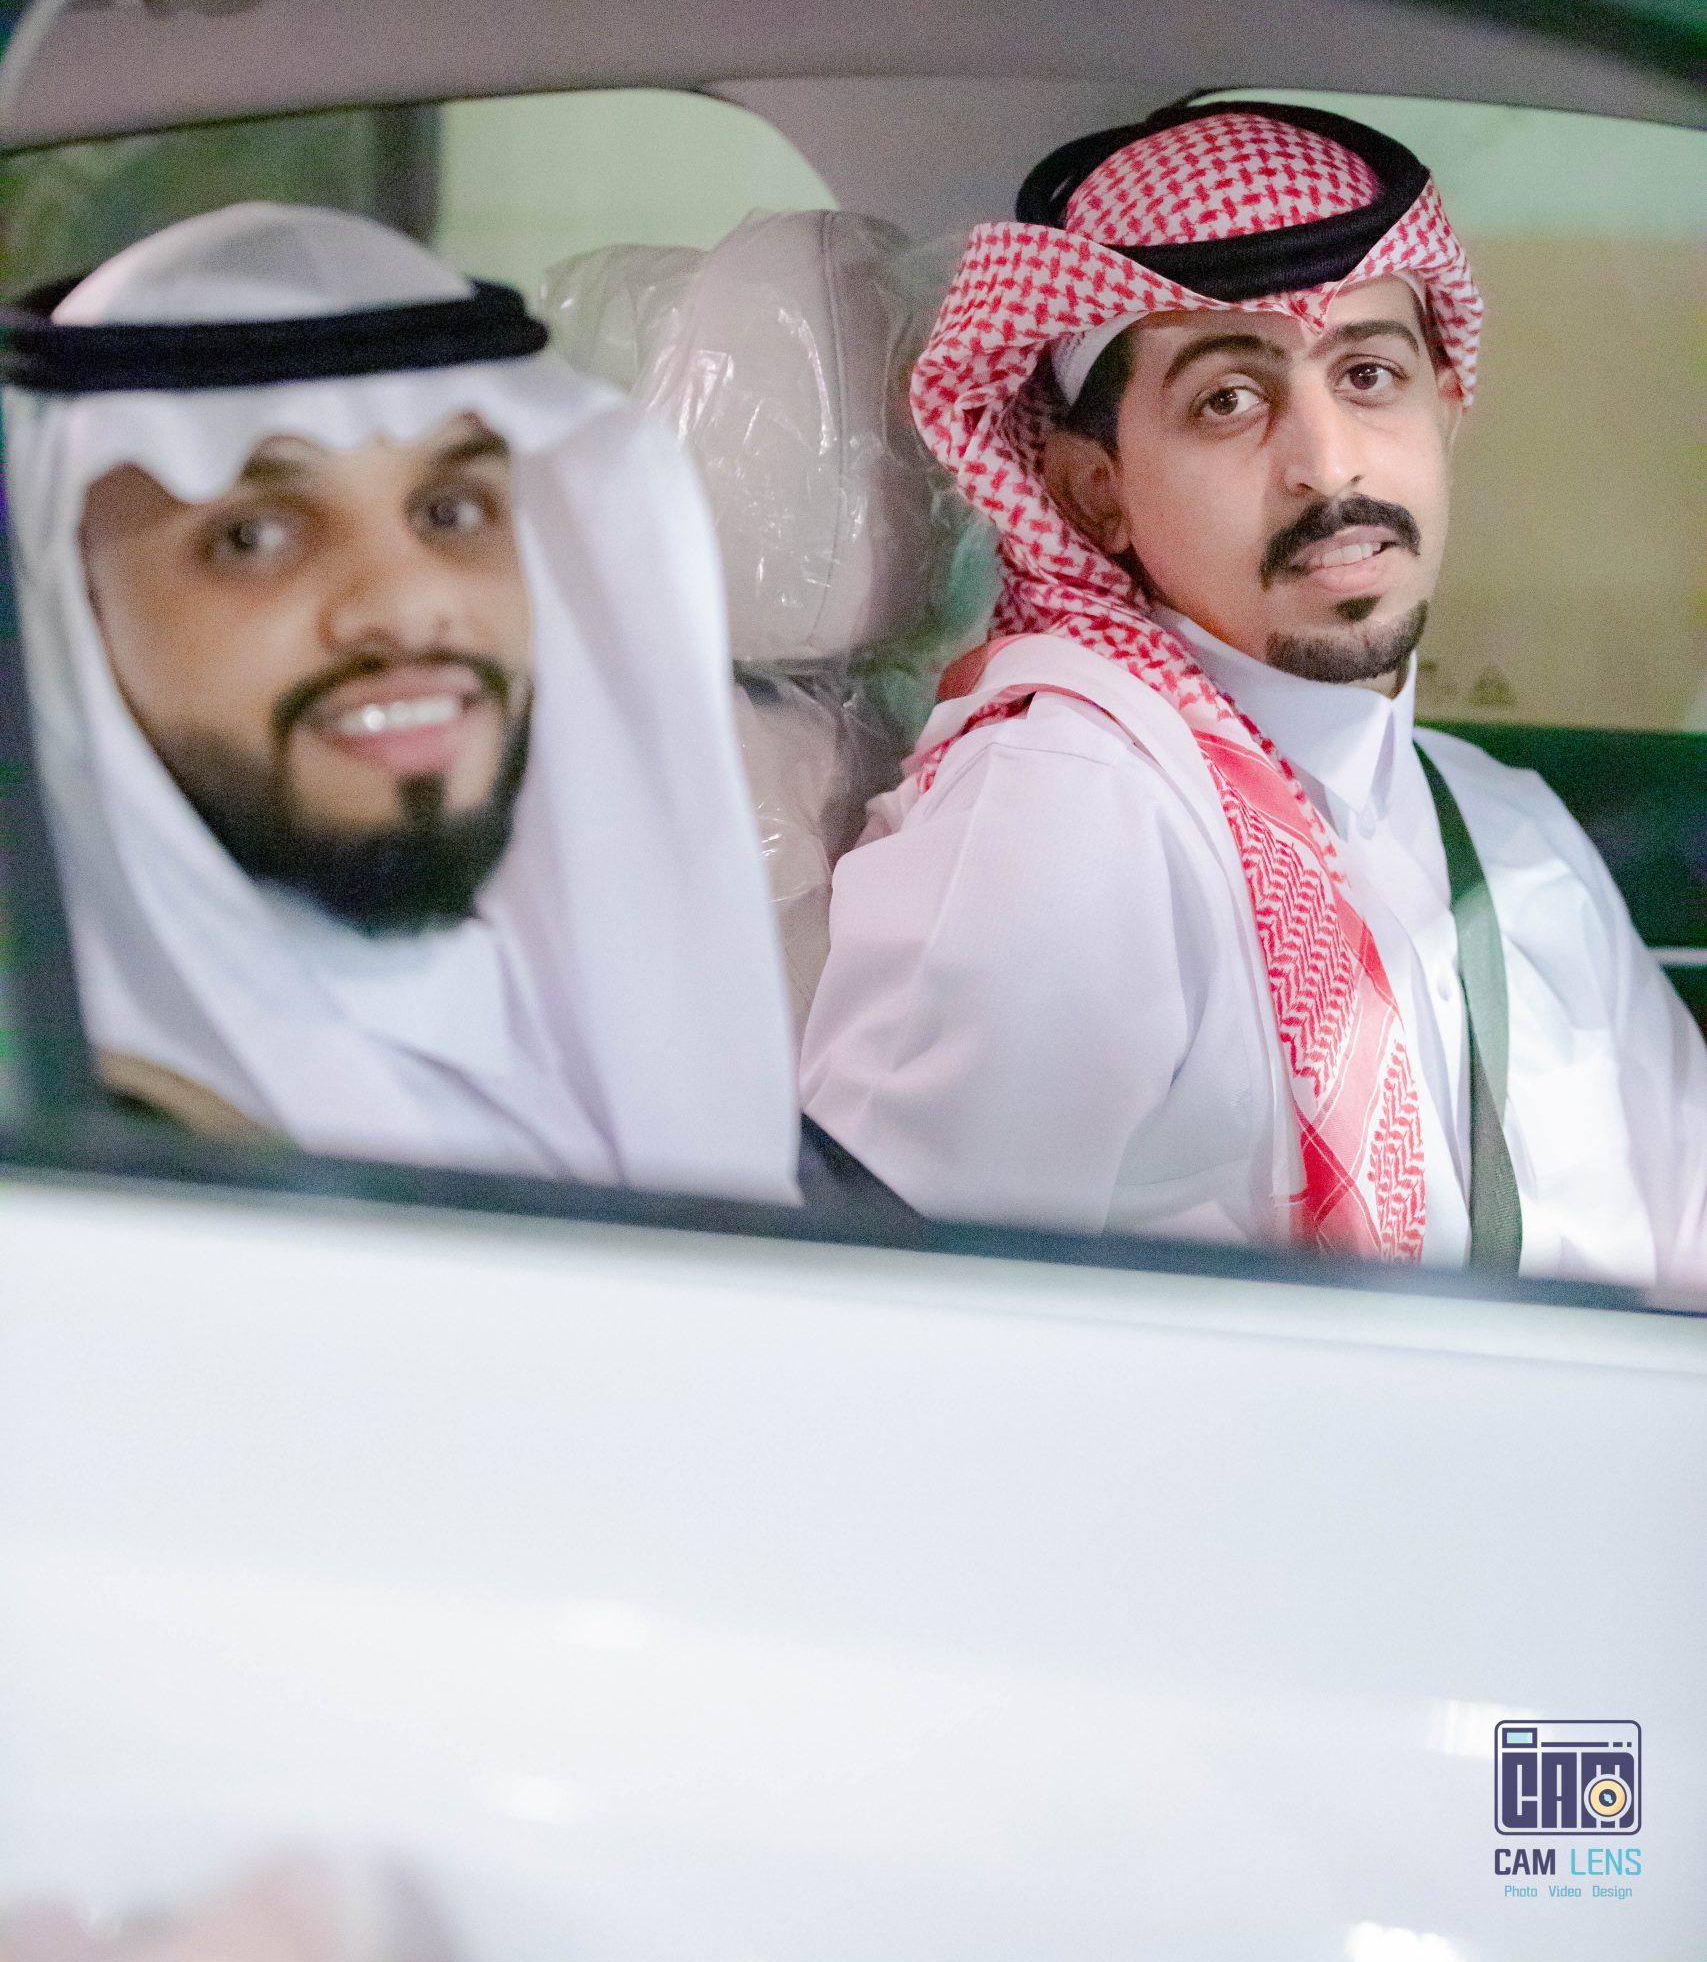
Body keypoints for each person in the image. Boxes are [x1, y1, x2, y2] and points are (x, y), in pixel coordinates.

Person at [800, 99, 1707, 1286]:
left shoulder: (1506, 830)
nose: (1327, 464)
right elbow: (881, 1316)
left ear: (1445, 410)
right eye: (1228, 399)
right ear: (1091, 491)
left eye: (1370, 375)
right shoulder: (1073, 808)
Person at [1, 201, 798, 1196]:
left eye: (451, 511)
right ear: (68, 609)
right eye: (253, 535)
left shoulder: (563, 1013)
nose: (411, 606)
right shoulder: (90, 1148)